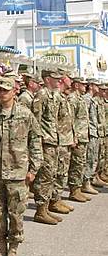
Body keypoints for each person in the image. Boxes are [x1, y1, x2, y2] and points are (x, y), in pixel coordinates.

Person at [0, 77, 42, 256]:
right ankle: (1, 249)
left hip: (17, 173)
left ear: (15, 91)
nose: (2, 93)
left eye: (6, 90)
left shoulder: (25, 114)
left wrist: (34, 169)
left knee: (16, 215)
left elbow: (35, 141)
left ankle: (13, 250)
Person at [31, 69, 62, 225]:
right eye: (55, 78)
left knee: (51, 175)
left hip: (52, 141)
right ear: (47, 79)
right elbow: (35, 121)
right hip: (44, 142)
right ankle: (40, 210)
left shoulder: (52, 95)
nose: (59, 81)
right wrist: (36, 143)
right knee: (44, 177)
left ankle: (46, 206)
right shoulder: (41, 95)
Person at [52, 70, 74, 215]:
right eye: (68, 78)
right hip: (59, 140)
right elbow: (52, 120)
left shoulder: (63, 97)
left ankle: (57, 198)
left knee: (63, 170)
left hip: (65, 139)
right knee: (58, 171)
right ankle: (54, 200)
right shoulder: (55, 97)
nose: (70, 81)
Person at [67, 77, 91, 202]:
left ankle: (78, 188)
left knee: (80, 163)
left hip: (83, 136)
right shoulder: (72, 98)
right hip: (78, 137)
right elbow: (70, 119)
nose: (85, 86)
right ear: (76, 85)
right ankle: (74, 190)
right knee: (76, 164)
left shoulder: (79, 98)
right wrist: (74, 136)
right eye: (82, 84)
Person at [82, 79, 100, 196]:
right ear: (92, 86)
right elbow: (84, 117)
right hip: (89, 133)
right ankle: (85, 182)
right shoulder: (86, 99)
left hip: (94, 132)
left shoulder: (92, 100)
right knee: (89, 158)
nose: (98, 87)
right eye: (96, 85)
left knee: (93, 157)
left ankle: (88, 180)